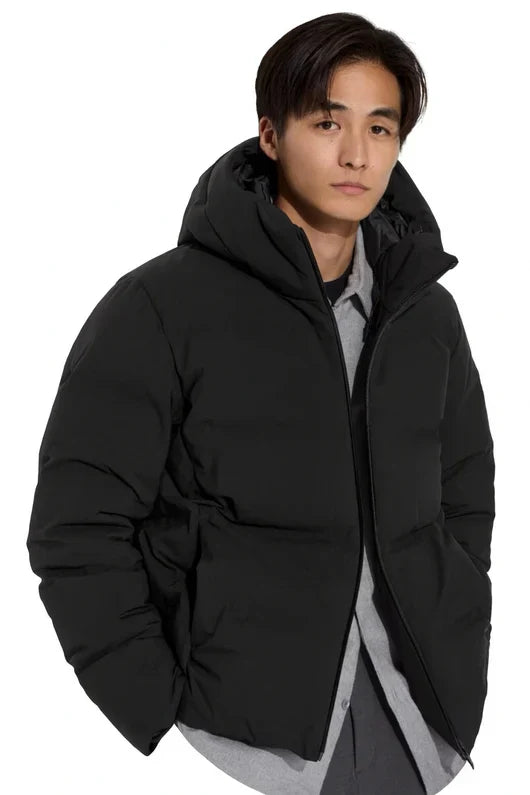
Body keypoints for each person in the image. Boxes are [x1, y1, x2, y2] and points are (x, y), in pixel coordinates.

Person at [26, 11, 495, 795]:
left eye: (380, 127)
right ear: (270, 135)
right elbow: (78, 527)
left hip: (421, 722)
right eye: (327, 122)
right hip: (239, 742)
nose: (357, 153)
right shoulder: (161, 307)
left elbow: (464, 490)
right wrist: (147, 699)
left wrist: (460, 615)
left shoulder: (426, 314)